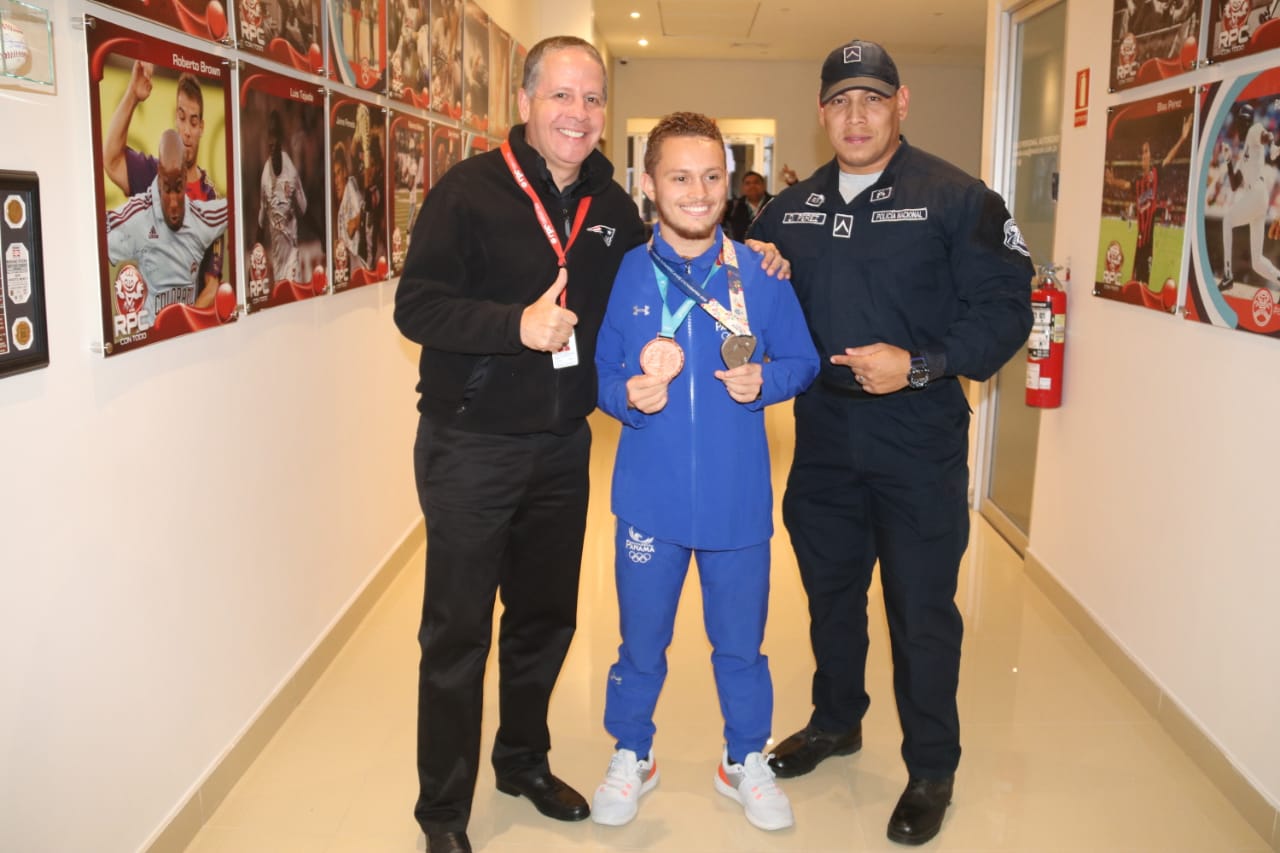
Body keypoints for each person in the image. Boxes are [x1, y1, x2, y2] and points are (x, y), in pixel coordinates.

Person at [749, 39, 1034, 846]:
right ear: (822, 113)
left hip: (917, 432)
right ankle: (837, 719)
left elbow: (1006, 310)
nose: (856, 116)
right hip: (823, 435)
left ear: (900, 104)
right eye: (841, 100)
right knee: (831, 593)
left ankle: (932, 765)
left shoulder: (958, 198)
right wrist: (756, 269)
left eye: (872, 99)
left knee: (921, 608)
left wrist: (919, 364)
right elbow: (746, 300)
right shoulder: (790, 210)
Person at [392, 37, 642, 853]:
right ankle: (443, 813)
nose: (579, 113)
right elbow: (416, 307)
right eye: (562, 95)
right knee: (458, 633)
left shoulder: (612, 207)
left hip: (563, 446)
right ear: (527, 100)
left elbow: (661, 275)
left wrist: (760, 256)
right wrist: (514, 325)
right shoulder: (467, 191)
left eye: (593, 98)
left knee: (544, 620)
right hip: (471, 445)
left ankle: (522, 760)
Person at [589, 112, 818, 832]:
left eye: (712, 175)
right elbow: (601, 371)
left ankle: (743, 757)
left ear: (728, 181)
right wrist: (626, 395)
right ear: (650, 185)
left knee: (741, 645)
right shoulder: (628, 272)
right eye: (680, 176)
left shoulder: (762, 272)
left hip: (736, 503)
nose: (699, 191)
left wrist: (766, 382)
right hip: (648, 501)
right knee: (640, 644)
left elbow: (803, 360)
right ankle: (633, 751)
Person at [107, 129, 229, 326]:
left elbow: (237, 205)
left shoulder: (202, 220)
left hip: (189, 338)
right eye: (167, 190)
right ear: (159, 180)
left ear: (186, 179)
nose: (173, 203)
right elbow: (95, 239)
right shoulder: (138, 217)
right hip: (151, 339)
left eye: (178, 189)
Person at [1103, 113, 1190, 285]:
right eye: (1142, 153)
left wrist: (1182, 138)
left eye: (1147, 152)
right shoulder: (1137, 182)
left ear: (1150, 156)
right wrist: (1113, 182)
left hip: (1149, 244)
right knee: (1136, 283)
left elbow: (1169, 158)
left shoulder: (1156, 173)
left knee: (1145, 284)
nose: (1144, 155)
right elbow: (1125, 185)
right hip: (1138, 244)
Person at [1216, 102, 1280, 301]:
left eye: (1244, 121)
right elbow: (1235, 184)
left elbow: (1266, 135)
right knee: (1257, 262)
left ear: (1248, 121)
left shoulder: (1254, 130)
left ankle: (1228, 276)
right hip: (1256, 198)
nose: (1241, 125)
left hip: (1258, 193)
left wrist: (1273, 145)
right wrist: (1228, 160)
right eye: (1240, 121)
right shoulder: (1244, 153)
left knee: (1227, 221)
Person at [257, 110, 308, 284]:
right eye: (270, 146)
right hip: (277, 261)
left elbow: (304, 209)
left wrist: (321, 235)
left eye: (275, 146)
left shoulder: (291, 172)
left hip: (292, 255)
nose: (272, 150)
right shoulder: (265, 175)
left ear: (281, 144)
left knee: (292, 290)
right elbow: (261, 219)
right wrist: (257, 249)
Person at [332, 140, 367, 274]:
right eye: (334, 175)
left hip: (358, 267)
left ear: (345, 172)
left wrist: (356, 221)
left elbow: (364, 210)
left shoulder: (350, 187)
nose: (336, 181)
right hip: (351, 268)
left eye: (339, 173)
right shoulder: (341, 206)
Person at [723, 170, 772, 242]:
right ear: (742, 188)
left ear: (764, 185)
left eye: (756, 182)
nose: (752, 186)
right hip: (740, 247)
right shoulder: (732, 206)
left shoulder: (774, 203)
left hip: (769, 248)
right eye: (747, 183)